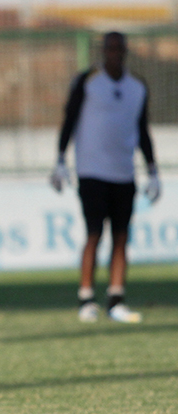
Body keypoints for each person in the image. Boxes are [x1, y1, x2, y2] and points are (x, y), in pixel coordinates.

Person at [51, 31, 160, 324]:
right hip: (92, 172)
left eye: (119, 49)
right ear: (103, 51)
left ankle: (116, 298)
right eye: (109, 49)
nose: (114, 54)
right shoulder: (87, 82)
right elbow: (69, 120)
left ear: (125, 52)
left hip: (124, 173)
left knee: (122, 237)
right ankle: (86, 297)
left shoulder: (137, 86)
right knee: (94, 233)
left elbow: (142, 130)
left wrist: (152, 169)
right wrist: (60, 159)